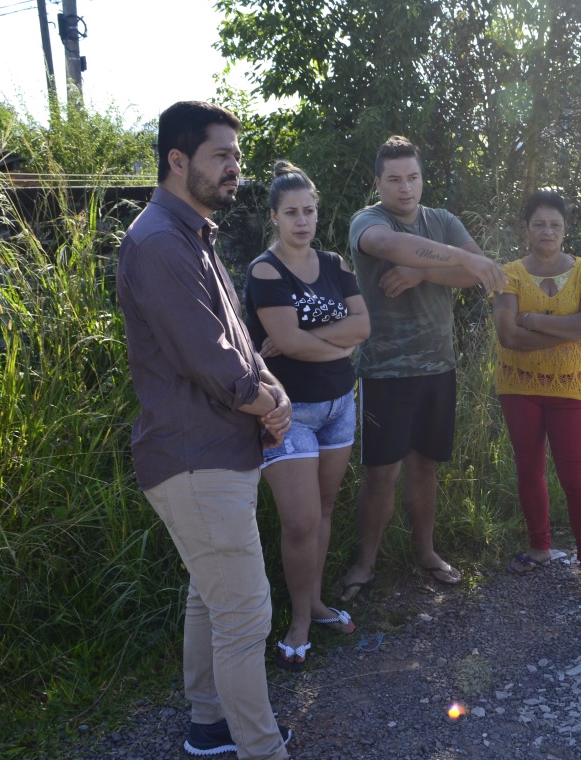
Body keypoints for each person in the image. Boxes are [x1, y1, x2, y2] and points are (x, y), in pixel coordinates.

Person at [116, 101, 293, 759]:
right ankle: (260, 748)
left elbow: (236, 342)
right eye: (222, 156)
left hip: (211, 451)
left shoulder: (191, 232)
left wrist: (268, 390)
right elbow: (210, 358)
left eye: (237, 158)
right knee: (245, 612)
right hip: (195, 458)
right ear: (178, 160)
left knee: (211, 595)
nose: (235, 170)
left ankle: (211, 725)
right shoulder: (161, 241)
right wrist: (266, 402)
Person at [339, 135, 507, 601]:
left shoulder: (442, 221)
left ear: (421, 179)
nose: (405, 187)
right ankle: (365, 563)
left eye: (412, 177)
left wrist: (422, 271)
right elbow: (390, 245)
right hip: (384, 371)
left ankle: (425, 551)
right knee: (381, 472)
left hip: (439, 366)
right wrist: (457, 259)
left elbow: (476, 274)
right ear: (378, 183)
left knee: (426, 466)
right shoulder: (366, 221)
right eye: (394, 179)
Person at [244, 162, 370, 670]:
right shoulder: (265, 271)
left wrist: (309, 344)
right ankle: (297, 619)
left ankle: (315, 604)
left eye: (309, 211)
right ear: (274, 216)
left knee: (322, 509)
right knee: (299, 522)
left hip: (342, 405)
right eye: (291, 212)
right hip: (289, 412)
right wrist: (333, 344)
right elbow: (289, 342)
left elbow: (363, 326)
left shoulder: (336, 264)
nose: (302, 221)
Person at [492, 190, 581, 602]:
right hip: (518, 385)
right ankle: (540, 548)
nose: (547, 231)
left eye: (555, 225)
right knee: (529, 469)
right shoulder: (509, 273)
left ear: (565, 229)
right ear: (526, 229)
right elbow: (507, 335)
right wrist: (563, 329)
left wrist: (533, 320)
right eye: (539, 223)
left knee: (577, 478)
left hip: (572, 384)